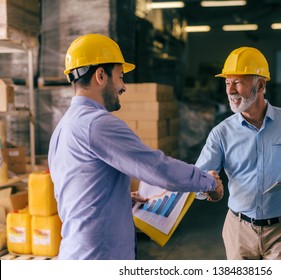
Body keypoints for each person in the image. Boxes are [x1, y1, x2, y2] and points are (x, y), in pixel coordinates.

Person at [47, 34, 223, 260]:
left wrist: (118, 198)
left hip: (77, 251)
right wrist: (207, 181)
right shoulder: (98, 124)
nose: (123, 86)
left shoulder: (63, 127)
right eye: (120, 76)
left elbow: (73, 191)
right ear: (101, 75)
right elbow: (156, 168)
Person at [196, 46, 281, 260]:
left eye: (238, 82)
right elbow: (198, 178)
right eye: (228, 83)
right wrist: (208, 188)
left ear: (261, 84)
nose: (230, 90)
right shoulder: (221, 133)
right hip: (239, 232)